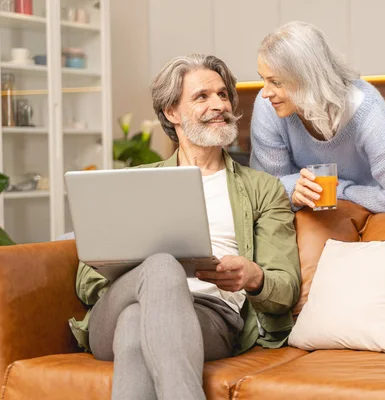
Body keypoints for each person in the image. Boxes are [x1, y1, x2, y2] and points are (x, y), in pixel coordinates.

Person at [68, 54, 301, 400]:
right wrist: (141, 268)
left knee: (136, 325)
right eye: (202, 96)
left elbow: (287, 287)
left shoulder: (262, 188)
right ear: (171, 112)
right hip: (113, 313)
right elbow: (86, 281)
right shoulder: (135, 184)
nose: (219, 105)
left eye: (223, 95)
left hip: (211, 317)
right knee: (162, 267)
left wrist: (254, 277)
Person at [249, 21, 385, 214]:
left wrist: (339, 190)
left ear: (308, 78)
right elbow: (264, 192)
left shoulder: (364, 108)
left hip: (378, 213)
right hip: (314, 216)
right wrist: (293, 191)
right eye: (263, 79)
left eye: (276, 82)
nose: (266, 93)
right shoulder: (268, 107)